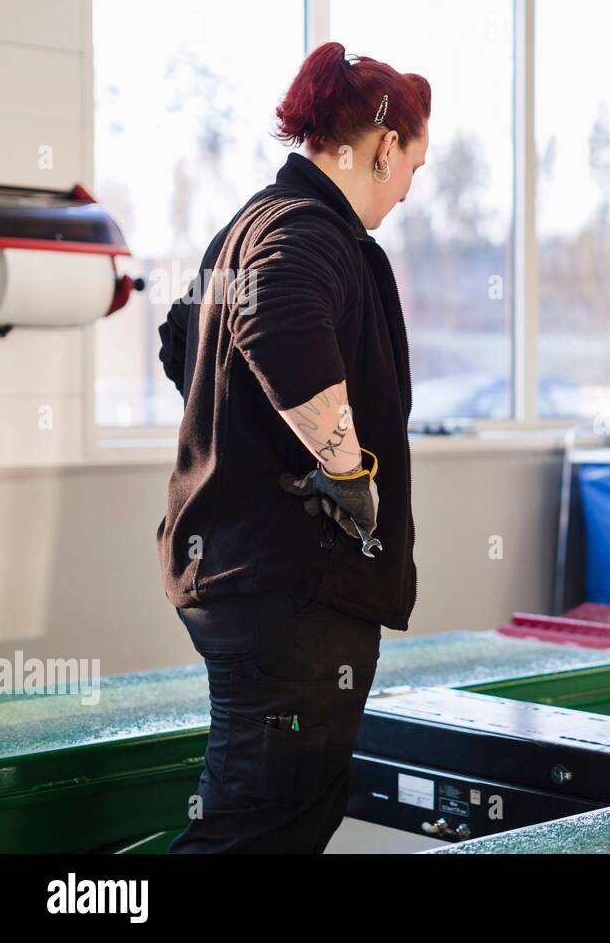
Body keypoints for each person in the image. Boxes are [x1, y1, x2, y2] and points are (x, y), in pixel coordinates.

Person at [156, 42, 430, 851]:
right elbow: (275, 322)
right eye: (413, 164)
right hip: (291, 586)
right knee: (256, 828)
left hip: (243, 572)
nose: (409, 190)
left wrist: (247, 430)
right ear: (383, 147)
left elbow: (182, 344)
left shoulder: (245, 226)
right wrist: (348, 473)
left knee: (292, 814)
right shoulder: (308, 235)